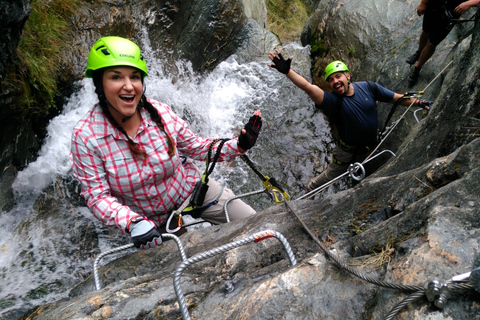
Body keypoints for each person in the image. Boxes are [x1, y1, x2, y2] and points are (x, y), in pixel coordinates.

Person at [71, 36, 262, 249]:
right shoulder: (86, 137)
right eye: (116, 77)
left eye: (134, 77)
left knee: (257, 226)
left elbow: (197, 147)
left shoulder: (159, 112)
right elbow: (97, 197)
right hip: (150, 221)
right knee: (187, 266)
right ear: (100, 83)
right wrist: (131, 222)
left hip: (190, 191)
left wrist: (238, 145)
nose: (128, 86)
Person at [268, 51, 433, 194]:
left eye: (338, 76)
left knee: (361, 169)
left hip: (369, 145)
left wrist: (419, 103)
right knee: (331, 175)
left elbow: (396, 99)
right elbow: (309, 87)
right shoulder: (332, 101)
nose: (335, 81)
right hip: (346, 151)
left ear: (348, 76)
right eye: (331, 80)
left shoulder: (369, 87)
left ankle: (354, 183)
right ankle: (311, 189)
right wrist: (288, 71)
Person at [406, 0, 479, 86]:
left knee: (432, 43)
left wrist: (470, 3)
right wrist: (423, 3)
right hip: (434, 5)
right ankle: (419, 53)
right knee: (426, 30)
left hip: (451, 13)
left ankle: (417, 67)